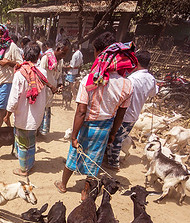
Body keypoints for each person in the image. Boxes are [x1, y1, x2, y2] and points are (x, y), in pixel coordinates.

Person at [54, 32, 136, 200]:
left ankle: (63, 185)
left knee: (73, 155)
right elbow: (121, 113)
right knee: (94, 160)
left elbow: (81, 111)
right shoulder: (127, 84)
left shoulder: (90, 80)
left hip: (86, 126)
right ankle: (85, 192)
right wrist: (113, 133)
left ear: (99, 53)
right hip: (105, 127)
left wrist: (74, 136)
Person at [105, 50, 157, 171]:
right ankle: (109, 158)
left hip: (124, 114)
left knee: (115, 138)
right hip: (135, 115)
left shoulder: (132, 79)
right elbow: (154, 93)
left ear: (136, 62)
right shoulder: (151, 79)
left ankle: (113, 163)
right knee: (121, 137)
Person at [5, 42, 50, 177]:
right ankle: (30, 163)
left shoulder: (20, 74)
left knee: (23, 143)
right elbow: (45, 96)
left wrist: (7, 115)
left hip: (23, 117)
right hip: (36, 116)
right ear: (38, 57)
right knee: (31, 141)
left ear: (24, 55)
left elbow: (13, 100)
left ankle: (24, 169)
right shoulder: (42, 73)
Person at [0, 24, 23, 128]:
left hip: (6, 82)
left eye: (1, 34)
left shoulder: (12, 47)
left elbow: (20, 64)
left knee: (2, 109)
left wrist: (8, 62)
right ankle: (10, 129)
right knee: (0, 109)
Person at [39, 39, 70, 136]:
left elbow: (59, 75)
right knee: (39, 110)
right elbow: (40, 75)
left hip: (50, 91)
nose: (64, 56)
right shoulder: (46, 58)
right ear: (58, 48)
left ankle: (41, 132)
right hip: (43, 90)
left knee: (46, 109)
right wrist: (50, 86)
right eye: (63, 53)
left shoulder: (60, 61)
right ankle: (36, 133)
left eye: (65, 54)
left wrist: (60, 84)